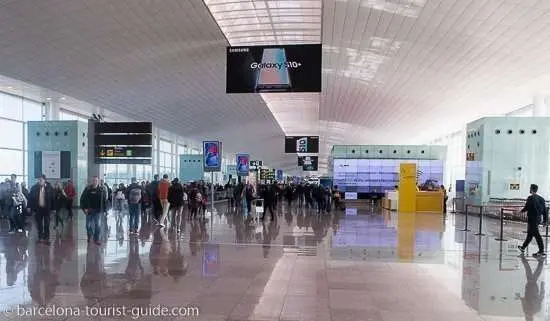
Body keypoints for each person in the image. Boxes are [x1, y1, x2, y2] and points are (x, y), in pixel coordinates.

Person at [518, 184, 547, 257]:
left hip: (532, 219)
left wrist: (521, 211)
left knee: (537, 234)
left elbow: (527, 207)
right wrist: (545, 220)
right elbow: (545, 210)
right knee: (530, 234)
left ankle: (541, 251)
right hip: (538, 219)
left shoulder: (530, 198)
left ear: (531, 189)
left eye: (530, 188)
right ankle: (523, 247)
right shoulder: (542, 199)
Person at [80, 176, 107, 246]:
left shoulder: (101, 189)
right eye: (93, 180)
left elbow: (104, 201)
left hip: (98, 211)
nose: (95, 182)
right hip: (89, 210)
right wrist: (84, 208)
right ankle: (90, 235)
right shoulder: (87, 189)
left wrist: (105, 211)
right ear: (92, 181)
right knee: (88, 226)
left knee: (97, 225)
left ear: (98, 181)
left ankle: (96, 239)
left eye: (96, 180)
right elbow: (82, 199)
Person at [28, 175, 55, 244]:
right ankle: (40, 237)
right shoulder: (34, 188)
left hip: (47, 209)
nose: (40, 181)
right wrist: (29, 207)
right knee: (39, 224)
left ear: (45, 180)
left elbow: (53, 199)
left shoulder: (49, 188)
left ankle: (46, 238)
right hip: (38, 209)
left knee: (47, 224)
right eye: (39, 180)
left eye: (41, 180)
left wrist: (54, 209)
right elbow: (30, 198)